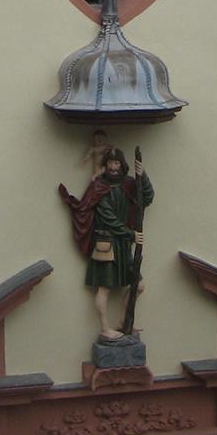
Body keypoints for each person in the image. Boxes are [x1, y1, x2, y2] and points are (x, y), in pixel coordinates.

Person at [59, 145, 154, 341]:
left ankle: (123, 321)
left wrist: (142, 175)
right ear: (106, 164)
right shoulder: (98, 187)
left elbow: (147, 197)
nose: (113, 167)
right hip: (106, 244)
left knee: (139, 285)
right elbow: (108, 217)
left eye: (117, 163)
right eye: (110, 162)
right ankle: (105, 328)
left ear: (122, 165)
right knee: (104, 288)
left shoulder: (129, 184)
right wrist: (131, 234)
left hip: (123, 246)